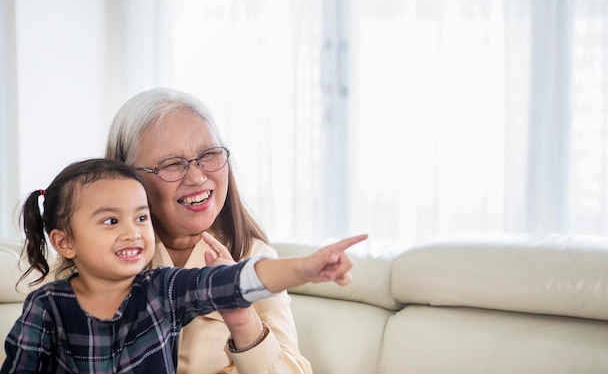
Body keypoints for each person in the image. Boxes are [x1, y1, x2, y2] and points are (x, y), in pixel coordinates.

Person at [1, 158, 367, 374]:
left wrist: (307, 266)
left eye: (141, 218)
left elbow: (239, 280)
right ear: (65, 242)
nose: (133, 233)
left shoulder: (163, 289)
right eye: (111, 222)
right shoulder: (46, 306)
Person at [103, 87, 319, 373]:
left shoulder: (254, 257)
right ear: (128, 179)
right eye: (171, 165)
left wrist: (243, 321)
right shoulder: (93, 251)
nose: (197, 176)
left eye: (209, 154)